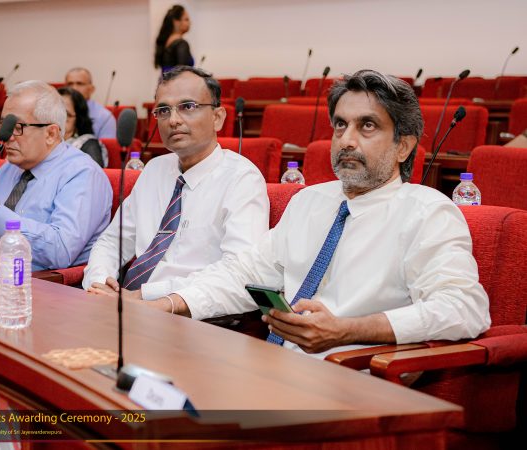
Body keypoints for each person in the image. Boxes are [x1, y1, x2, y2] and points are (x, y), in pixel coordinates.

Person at [161, 70, 491, 356]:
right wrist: (167, 304)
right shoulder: (309, 201)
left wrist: (348, 330)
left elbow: (464, 308)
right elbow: (243, 273)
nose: (346, 140)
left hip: (353, 377)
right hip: (279, 367)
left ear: (403, 146)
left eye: (367, 126)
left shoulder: (427, 213)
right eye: (340, 125)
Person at [84, 66, 269, 310]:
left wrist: (148, 297)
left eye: (188, 106)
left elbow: (241, 273)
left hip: (189, 314)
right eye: (163, 110)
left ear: (217, 118)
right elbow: (112, 242)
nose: (173, 120)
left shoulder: (241, 179)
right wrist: (100, 284)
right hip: (123, 306)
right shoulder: (154, 169)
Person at [0, 80, 113, 271]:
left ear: (51, 133)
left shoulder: (82, 174)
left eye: (17, 127)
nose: (6, 136)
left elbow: (60, 251)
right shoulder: (9, 168)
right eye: (4, 124)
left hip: (32, 285)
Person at [58, 87, 108, 167]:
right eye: (55, 113)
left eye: (66, 114)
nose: (58, 119)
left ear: (79, 118)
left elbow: (94, 173)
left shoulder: (89, 144)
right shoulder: (43, 143)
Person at [64, 68, 116, 139]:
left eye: (80, 84)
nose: (74, 88)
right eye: (70, 84)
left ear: (91, 89)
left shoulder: (105, 117)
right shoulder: (56, 112)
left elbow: (106, 145)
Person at [154, 5, 194, 73]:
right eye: (186, 19)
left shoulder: (167, 41)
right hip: (177, 80)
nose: (190, 23)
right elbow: (182, 73)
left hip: (165, 79)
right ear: (176, 22)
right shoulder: (181, 44)